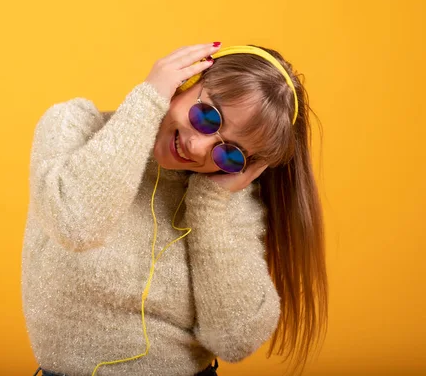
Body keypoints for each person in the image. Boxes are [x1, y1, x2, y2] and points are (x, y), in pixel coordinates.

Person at [21, 42, 328, 376]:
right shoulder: (74, 126)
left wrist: (209, 204)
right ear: (185, 82)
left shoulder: (226, 201)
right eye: (207, 116)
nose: (198, 147)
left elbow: (235, 340)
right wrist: (148, 99)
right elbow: (76, 224)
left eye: (229, 153)